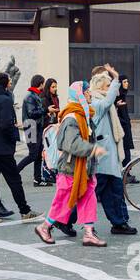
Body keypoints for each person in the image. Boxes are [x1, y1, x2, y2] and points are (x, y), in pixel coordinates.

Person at [34, 98, 107, 247]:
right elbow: (72, 144)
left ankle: (88, 233)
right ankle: (44, 227)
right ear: (79, 95)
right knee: (64, 202)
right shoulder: (72, 117)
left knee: (88, 199)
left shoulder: (85, 114)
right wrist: (92, 149)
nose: (89, 95)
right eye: (86, 92)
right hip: (70, 168)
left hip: (84, 168)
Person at [0, 72, 39, 224]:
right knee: (14, 180)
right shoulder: (4, 100)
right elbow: (5, 124)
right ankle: (25, 211)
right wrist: (13, 135)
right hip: (2, 148)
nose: (11, 82)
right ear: (5, 83)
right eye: (10, 81)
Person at [85, 67, 136, 236]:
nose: (110, 90)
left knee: (111, 191)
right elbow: (108, 102)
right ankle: (65, 219)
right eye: (107, 86)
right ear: (100, 87)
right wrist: (115, 78)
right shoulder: (96, 103)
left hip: (108, 154)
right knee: (94, 192)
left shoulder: (99, 101)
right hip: (102, 155)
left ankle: (119, 222)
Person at [18, 73, 49, 186]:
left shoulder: (34, 95)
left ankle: (38, 179)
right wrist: (46, 110)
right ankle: (15, 172)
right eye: (44, 83)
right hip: (31, 128)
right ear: (40, 84)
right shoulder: (31, 96)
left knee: (38, 154)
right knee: (33, 155)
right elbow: (32, 113)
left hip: (35, 128)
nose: (44, 85)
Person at [116, 77, 137, 180]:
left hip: (125, 125)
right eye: (124, 82)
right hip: (122, 127)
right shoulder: (118, 95)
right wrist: (123, 122)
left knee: (126, 148)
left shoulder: (123, 94)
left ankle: (127, 172)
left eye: (127, 81)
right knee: (125, 149)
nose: (127, 83)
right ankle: (126, 173)